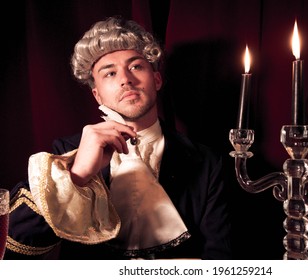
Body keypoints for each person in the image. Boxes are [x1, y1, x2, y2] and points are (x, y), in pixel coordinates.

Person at [5, 16, 232, 260]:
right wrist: (77, 175)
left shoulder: (207, 161)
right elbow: (16, 241)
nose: (126, 79)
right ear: (97, 95)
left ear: (156, 80)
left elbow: (221, 260)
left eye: (136, 66)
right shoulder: (67, 152)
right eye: (110, 73)